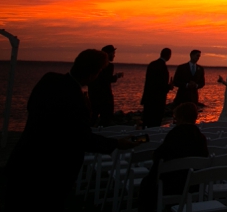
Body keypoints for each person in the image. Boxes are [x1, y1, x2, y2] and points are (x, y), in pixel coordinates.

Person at [4, 49, 135, 211]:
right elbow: (82, 138)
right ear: (92, 74)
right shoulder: (77, 101)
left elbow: (31, 107)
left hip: (23, 159)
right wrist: (116, 143)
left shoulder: (49, 79)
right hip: (52, 173)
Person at [137, 102, 210, 212]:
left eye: (175, 118)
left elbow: (159, 156)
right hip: (194, 186)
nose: (175, 121)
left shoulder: (175, 135)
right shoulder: (201, 138)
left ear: (181, 118)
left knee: (146, 184)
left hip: (172, 186)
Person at [89, 44, 123, 126]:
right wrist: (117, 76)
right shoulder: (109, 65)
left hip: (93, 95)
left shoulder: (94, 65)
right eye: (113, 53)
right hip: (105, 97)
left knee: (93, 117)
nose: (114, 55)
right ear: (109, 54)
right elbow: (107, 79)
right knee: (106, 118)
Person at [141, 48, 173, 127]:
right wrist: (169, 86)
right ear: (168, 56)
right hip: (158, 100)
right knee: (156, 122)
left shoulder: (152, 64)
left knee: (146, 122)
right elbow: (161, 85)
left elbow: (149, 82)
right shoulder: (163, 67)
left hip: (148, 98)